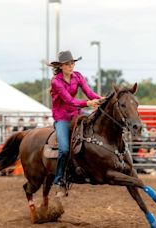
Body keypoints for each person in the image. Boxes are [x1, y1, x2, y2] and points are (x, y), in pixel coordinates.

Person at [49, 50, 102, 195]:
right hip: (62, 117)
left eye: (72, 63)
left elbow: (89, 92)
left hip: (76, 114)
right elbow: (69, 100)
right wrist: (88, 103)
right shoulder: (56, 82)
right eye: (67, 64)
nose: (71, 66)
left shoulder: (77, 76)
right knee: (64, 149)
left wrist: (102, 99)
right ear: (61, 66)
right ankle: (59, 179)